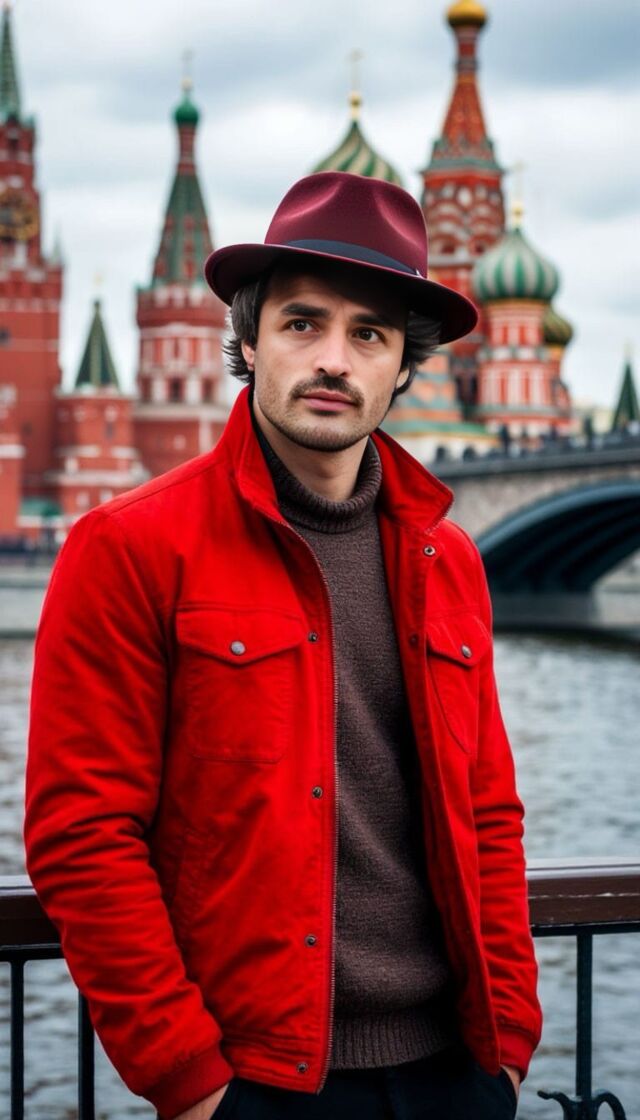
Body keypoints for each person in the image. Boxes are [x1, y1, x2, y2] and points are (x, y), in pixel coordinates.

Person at [25, 171, 541, 1120]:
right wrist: (191, 1082)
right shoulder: (130, 547)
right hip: (256, 1084)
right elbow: (83, 836)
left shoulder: (450, 559)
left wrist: (506, 1044)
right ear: (251, 340)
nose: (334, 360)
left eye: (370, 335)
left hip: (455, 1075)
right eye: (304, 323)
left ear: (404, 366)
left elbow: (490, 813)